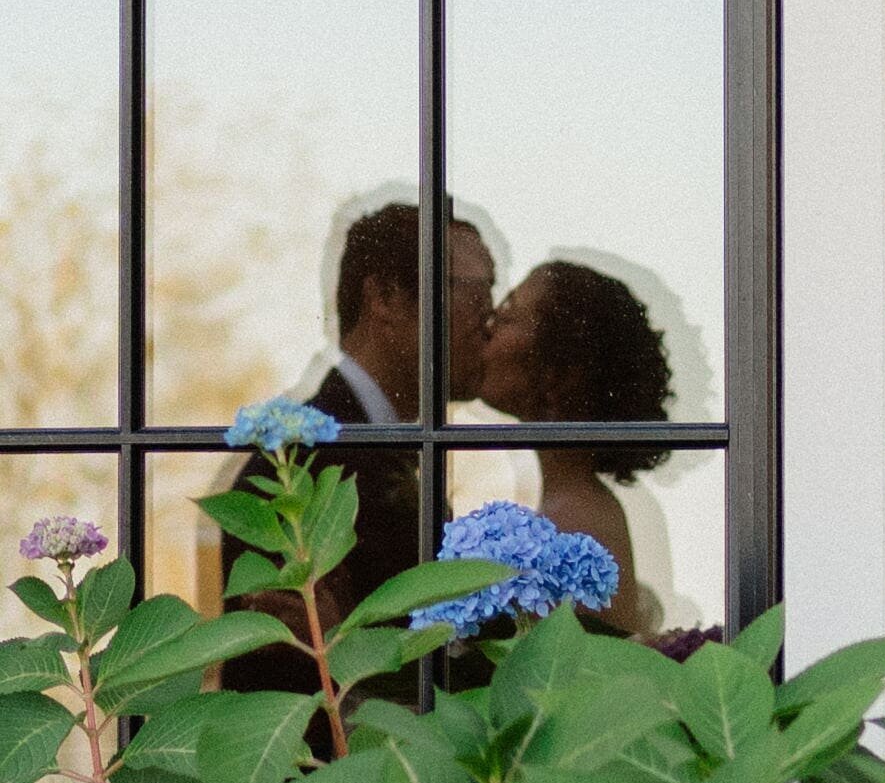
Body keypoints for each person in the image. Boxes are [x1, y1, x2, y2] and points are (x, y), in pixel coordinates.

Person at [221, 203, 496, 738]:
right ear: (385, 298)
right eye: (475, 294)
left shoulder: (377, 449)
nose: (486, 321)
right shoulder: (302, 466)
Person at [477, 260, 673, 635]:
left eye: (508, 314)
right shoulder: (572, 503)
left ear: (559, 373)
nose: (488, 326)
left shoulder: (574, 522)